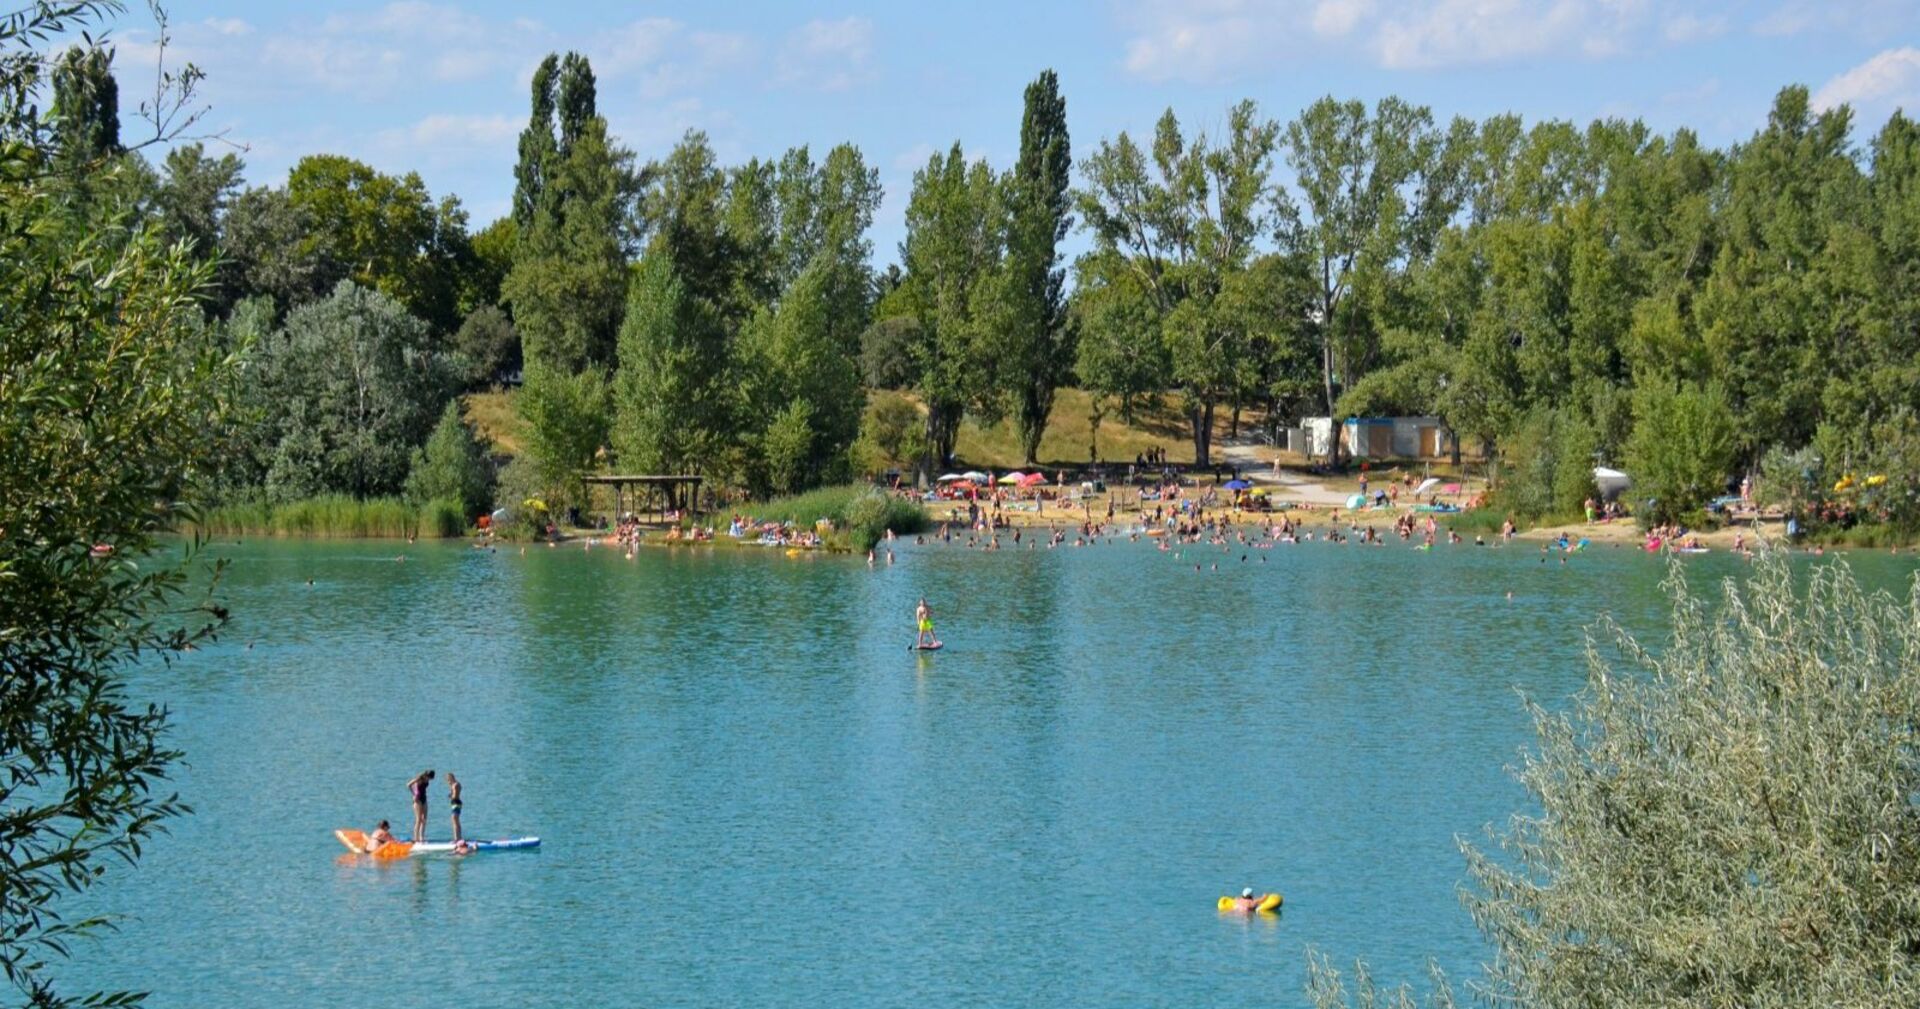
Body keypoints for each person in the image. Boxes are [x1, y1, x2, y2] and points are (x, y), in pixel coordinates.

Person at [407, 769, 435, 842]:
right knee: (418, 819)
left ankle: (421, 837)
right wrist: (414, 794)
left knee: (424, 819)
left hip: (424, 798)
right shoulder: (419, 778)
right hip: (417, 799)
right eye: (429, 777)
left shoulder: (427, 780)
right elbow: (408, 785)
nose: (429, 779)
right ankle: (416, 838)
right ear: (426, 775)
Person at [447, 772, 464, 842]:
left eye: (448, 779)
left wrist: (451, 796)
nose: (448, 781)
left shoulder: (456, 785)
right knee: (456, 821)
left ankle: (457, 838)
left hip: (456, 803)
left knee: (455, 821)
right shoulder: (454, 785)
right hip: (455, 803)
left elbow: (455, 796)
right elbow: (452, 794)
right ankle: (458, 837)